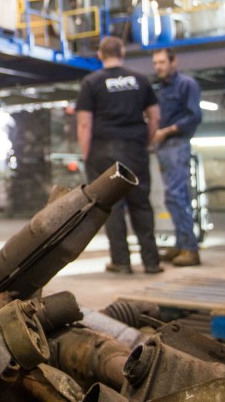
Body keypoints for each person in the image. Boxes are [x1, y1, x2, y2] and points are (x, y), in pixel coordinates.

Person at [76, 36, 162, 274]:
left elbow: (84, 124)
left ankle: (121, 262)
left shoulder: (91, 82)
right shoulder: (140, 79)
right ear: (122, 52)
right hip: (135, 147)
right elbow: (154, 117)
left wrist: (87, 154)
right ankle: (151, 262)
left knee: (110, 207)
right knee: (141, 204)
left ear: (100, 55)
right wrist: (144, 142)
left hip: (103, 150)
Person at [151, 48, 203, 267]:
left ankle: (190, 249)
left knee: (176, 195)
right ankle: (181, 243)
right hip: (163, 147)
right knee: (172, 197)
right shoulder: (161, 89)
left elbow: (194, 116)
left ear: (173, 61)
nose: (158, 67)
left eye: (162, 62)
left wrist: (168, 130)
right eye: (155, 63)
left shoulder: (186, 84)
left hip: (177, 144)